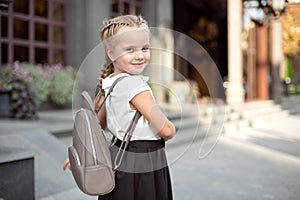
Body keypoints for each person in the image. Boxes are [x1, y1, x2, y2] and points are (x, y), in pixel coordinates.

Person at [63, 14, 175, 200]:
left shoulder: (111, 83)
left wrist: (82, 154)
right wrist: (168, 124)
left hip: (118, 159)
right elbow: (167, 130)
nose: (140, 55)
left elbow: (98, 126)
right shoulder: (135, 86)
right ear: (111, 53)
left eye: (145, 48)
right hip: (144, 162)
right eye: (130, 49)